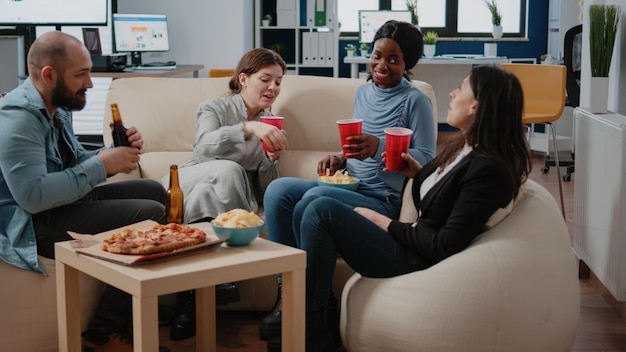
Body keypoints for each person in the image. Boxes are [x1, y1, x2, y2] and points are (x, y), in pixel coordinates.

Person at [283, 64, 532, 351]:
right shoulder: (468, 148)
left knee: (320, 209)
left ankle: (311, 330)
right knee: (307, 207)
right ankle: (320, 316)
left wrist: (386, 223)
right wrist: (418, 174)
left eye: (461, 87)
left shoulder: (488, 169)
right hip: (412, 241)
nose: (452, 94)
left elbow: (443, 244)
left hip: (414, 257)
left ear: (476, 105)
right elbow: (447, 196)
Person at [261, 20, 437, 350]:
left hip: (383, 197)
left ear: (407, 63)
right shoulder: (363, 91)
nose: (381, 65)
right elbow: (355, 147)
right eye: (377, 55)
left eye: (394, 60)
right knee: (278, 191)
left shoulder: (415, 101)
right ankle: (288, 298)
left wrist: (381, 147)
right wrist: (340, 159)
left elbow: (426, 160)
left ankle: (313, 314)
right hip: (349, 184)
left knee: (313, 199)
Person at [0, 31, 169, 351]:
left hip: (57, 204)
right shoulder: (18, 118)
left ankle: (128, 318)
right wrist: (103, 165)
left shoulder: (55, 107)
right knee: (151, 214)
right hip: (30, 223)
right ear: (49, 75)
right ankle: (103, 333)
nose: (90, 83)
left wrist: (112, 152)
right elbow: (33, 198)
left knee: (154, 191)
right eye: (82, 74)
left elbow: (75, 163)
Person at [161, 47, 289, 340]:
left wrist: (271, 159)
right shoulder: (214, 107)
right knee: (227, 171)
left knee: (210, 192)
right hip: (192, 176)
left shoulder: (272, 123)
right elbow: (204, 147)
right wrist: (247, 128)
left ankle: (189, 298)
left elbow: (267, 189)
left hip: (215, 194)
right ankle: (223, 276)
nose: (273, 88)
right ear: (243, 79)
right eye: (265, 79)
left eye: (279, 82)